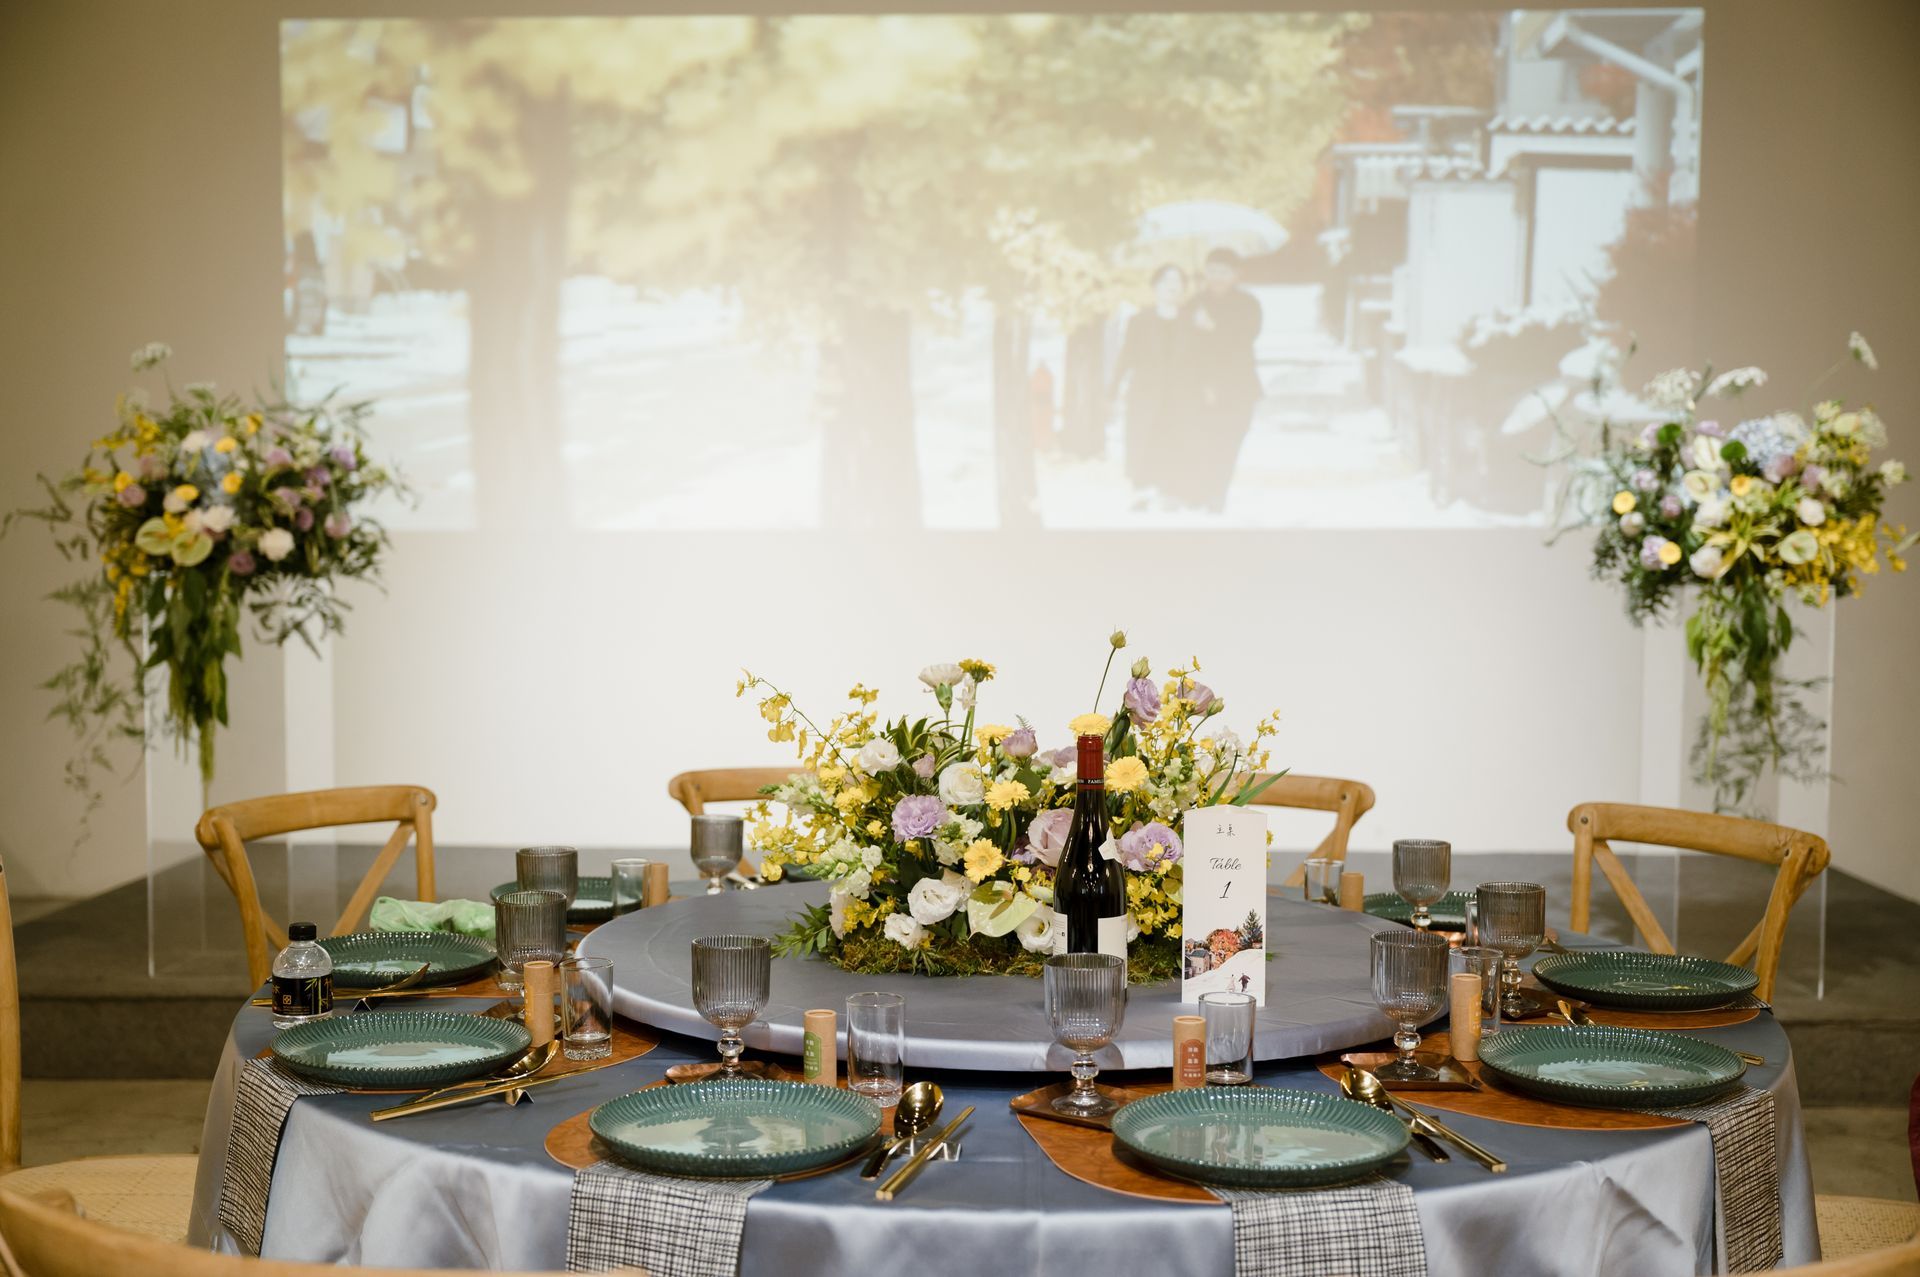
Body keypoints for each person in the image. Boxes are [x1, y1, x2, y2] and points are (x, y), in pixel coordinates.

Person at [1176, 248, 1264, 512]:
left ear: (1236, 274)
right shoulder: (1194, 304)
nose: (1217, 277)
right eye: (1212, 271)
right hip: (1200, 385)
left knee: (1228, 441)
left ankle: (1217, 494)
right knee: (1202, 440)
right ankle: (1200, 492)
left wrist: (1213, 329)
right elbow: (1185, 347)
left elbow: (1246, 337)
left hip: (1238, 386)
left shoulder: (1248, 304)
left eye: (1224, 272)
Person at [1107, 264, 1191, 500]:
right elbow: (1127, 356)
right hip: (1145, 392)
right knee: (1142, 438)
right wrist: (1112, 390)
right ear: (1155, 286)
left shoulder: (1191, 321)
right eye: (1166, 281)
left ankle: (1170, 490)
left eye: (1178, 281)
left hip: (1179, 395)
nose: (1172, 287)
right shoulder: (1140, 320)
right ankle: (1141, 490)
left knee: (1173, 439)